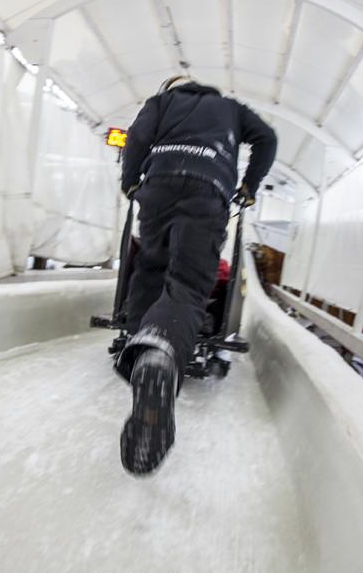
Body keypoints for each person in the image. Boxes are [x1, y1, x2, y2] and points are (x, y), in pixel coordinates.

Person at [116, 75, 277, 475]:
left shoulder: (160, 104)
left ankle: (141, 347)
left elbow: (136, 139)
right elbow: (267, 139)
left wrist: (131, 182)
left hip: (159, 182)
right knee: (188, 284)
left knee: (150, 270)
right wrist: (248, 186)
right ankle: (161, 351)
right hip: (209, 189)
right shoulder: (231, 110)